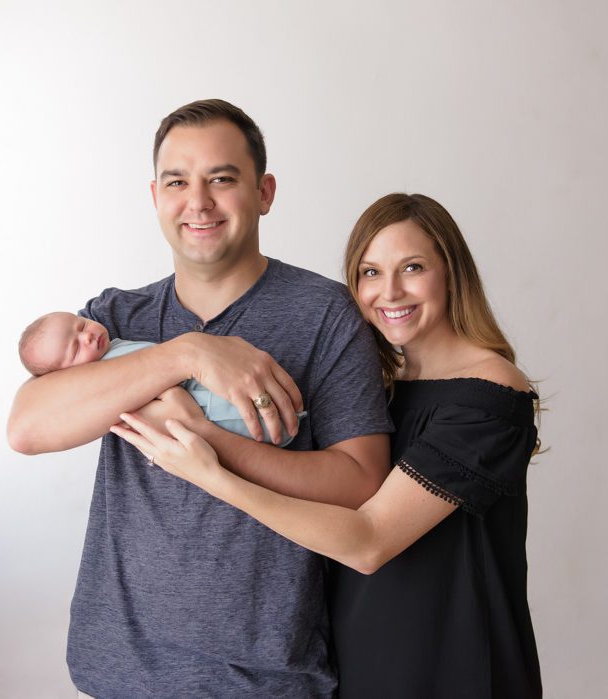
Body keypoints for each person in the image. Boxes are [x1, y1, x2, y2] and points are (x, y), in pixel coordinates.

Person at [7, 100, 392, 697]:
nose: (199, 202)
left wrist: (209, 445)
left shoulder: (324, 314)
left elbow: (361, 483)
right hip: (120, 670)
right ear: (155, 197)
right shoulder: (112, 320)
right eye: (177, 181)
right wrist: (188, 353)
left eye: (222, 178)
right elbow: (28, 428)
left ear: (264, 192)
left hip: (266, 677)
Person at [113, 193, 543, 699]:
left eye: (413, 267)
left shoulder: (489, 394)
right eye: (370, 273)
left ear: (452, 272)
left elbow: (368, 542)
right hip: (362, 658)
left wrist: (212, 474)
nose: (391, 292)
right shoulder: (385, 387)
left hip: (452, 662)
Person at [17, 310, 304, 445]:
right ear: (66, 376)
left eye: (80, 325)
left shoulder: (111, 331)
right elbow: (22, 432)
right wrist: (186, 355)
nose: (87, 335)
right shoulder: (102, 373)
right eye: (75, 347)